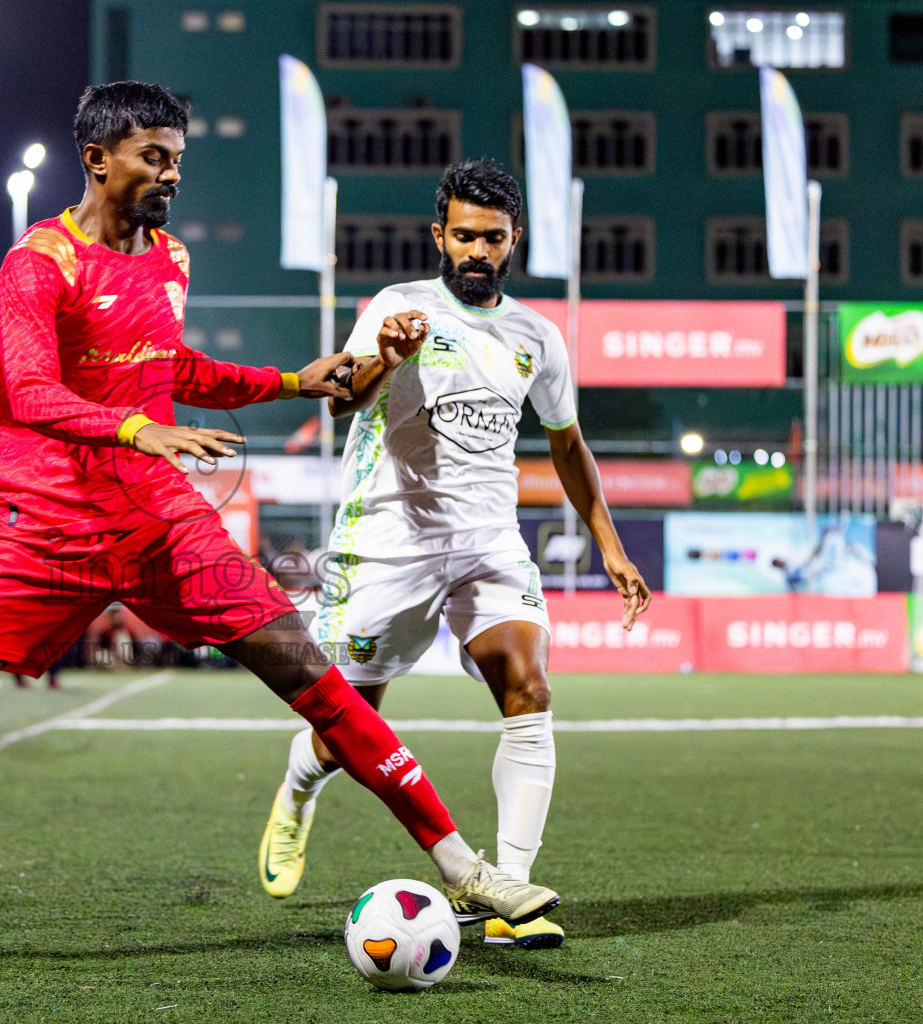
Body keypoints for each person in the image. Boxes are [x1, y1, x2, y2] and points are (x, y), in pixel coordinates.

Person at [0, 83, 559, 968]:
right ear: (97, 159)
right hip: (50, 524)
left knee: (315, 675)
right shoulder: (39, 262)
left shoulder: (171, 259)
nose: (170, 174)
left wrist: (287, 381)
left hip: (160, 521)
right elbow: (30, 389)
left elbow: (173, 364)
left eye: (177, 160)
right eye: (153, 157)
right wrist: (136, 427)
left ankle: (465, 869)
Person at [255, 159, 651, 952]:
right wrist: (387, 358)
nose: (478, 251)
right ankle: (298, 785)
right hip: (385, 545)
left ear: (514, 241)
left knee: (528, 685)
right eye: (464, 236)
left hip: (488, 545)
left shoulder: (537, 336)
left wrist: (610, 543)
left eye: (493, 239)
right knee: (349, 728)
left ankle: (508, 896)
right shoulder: (397, 308)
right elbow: (345, 399)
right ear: (440, 234)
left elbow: (567, 444)